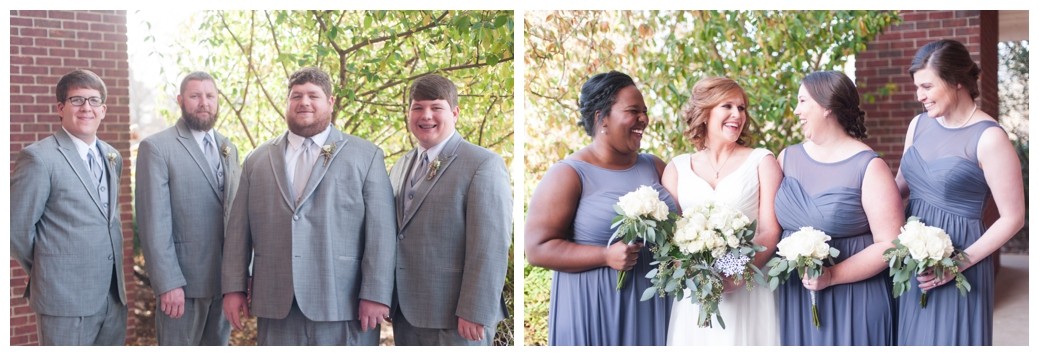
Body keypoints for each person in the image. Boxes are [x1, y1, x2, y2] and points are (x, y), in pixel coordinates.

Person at [220, 67, 397, 346]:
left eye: (313, 96)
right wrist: (233, 288)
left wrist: (376, 293)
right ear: (287, 102)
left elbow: (382, 232)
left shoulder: (366, 156)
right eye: (296, 96)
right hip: (276, 302)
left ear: (331, 102)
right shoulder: (257, 160)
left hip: (344, 302)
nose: (304, 102)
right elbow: (238, 231)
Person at [525, 71, 673, 346]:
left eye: (644, 111)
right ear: (601, 117)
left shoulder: (654, 166)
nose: (643, 119)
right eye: (633, 111)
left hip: (653, 308)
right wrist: (605, 256)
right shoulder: (569, 174)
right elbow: (537, 249)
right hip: (596, 311)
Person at [895, 39, 1025, 346]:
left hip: (961, 261)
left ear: (956, 81)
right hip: (912, 258)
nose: (919, 96)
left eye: (927, 86)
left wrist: (957, 264)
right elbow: (900, 186)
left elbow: (1014, 217)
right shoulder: (918, 125)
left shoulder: (989, 138)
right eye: (917, 87)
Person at [774, 71, 903, 345]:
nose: (796, 110)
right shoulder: (787, 158)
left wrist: (832, 276)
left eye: (802, 101)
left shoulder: (869, 166)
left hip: (854, 300)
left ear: (827, 106)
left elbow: (891, 243)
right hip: (796, 297)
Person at [387, 74, 511, 346]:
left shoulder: (483, 164)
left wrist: (475, 310)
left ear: (455, 113)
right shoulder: (400, 166)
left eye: (436, 107)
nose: (426, 115)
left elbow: (491, 244)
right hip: (405, 314)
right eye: (418, 107)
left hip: (457, 318)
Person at [10, 69, 128, 345]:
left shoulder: (113, 156)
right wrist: (50, 267)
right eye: (77, 100)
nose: (86, 107)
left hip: (113, 298)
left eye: (94, 100)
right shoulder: (39, 158)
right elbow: (15, 230)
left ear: (103, 110)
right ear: (61, 108)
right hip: (64, 299)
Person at [662, 77, 782, 345]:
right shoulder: (677, 168)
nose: (737, 115)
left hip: (747, 289)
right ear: (705, 113)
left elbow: (770, 230)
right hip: (697, 292)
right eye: (727, 106)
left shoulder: (762, 161)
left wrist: (736, 273)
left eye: (742, 108)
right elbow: (670, 239)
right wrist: (698, 275)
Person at [136, 71, 239, 345]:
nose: (204, 102)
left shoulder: (229, 147)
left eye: (210, 96)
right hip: (182, 286)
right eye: (195, 96)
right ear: (181, 100)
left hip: (224, 284)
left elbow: (236, 217)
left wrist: (240, 278)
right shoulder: (157, 147)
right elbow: (153, 223)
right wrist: (168, 282)